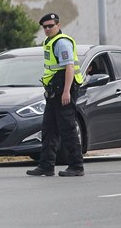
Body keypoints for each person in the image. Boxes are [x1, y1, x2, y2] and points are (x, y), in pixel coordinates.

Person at [27, 13, 84, 177]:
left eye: (50, 26)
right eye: (44, 27)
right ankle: (46, 165)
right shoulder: (49, 42)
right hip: (54, 89)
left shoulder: (62, 42)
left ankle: (76, 166)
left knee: (68, 128)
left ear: (58, 25)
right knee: (49, 129)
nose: (47, 29)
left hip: (64, 87)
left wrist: (66, 91)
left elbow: (69, 68)